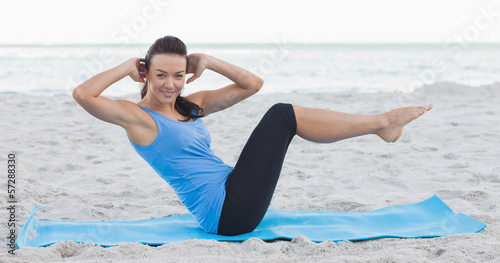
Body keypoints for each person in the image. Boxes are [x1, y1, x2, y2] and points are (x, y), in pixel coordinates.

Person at [73, 35, 432, 236]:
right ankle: (381, 125)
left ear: (187, 76)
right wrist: (126, 66)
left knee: (281, 115)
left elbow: (252, 85)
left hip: (233, 193)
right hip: (228, 213)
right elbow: (83, 95)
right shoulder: (138, 118)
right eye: (161, 75)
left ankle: (381, 125)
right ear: (147, 75)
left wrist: (210, 61)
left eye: (178, 75)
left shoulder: (191, 105)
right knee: (282, 116)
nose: (170, 84)